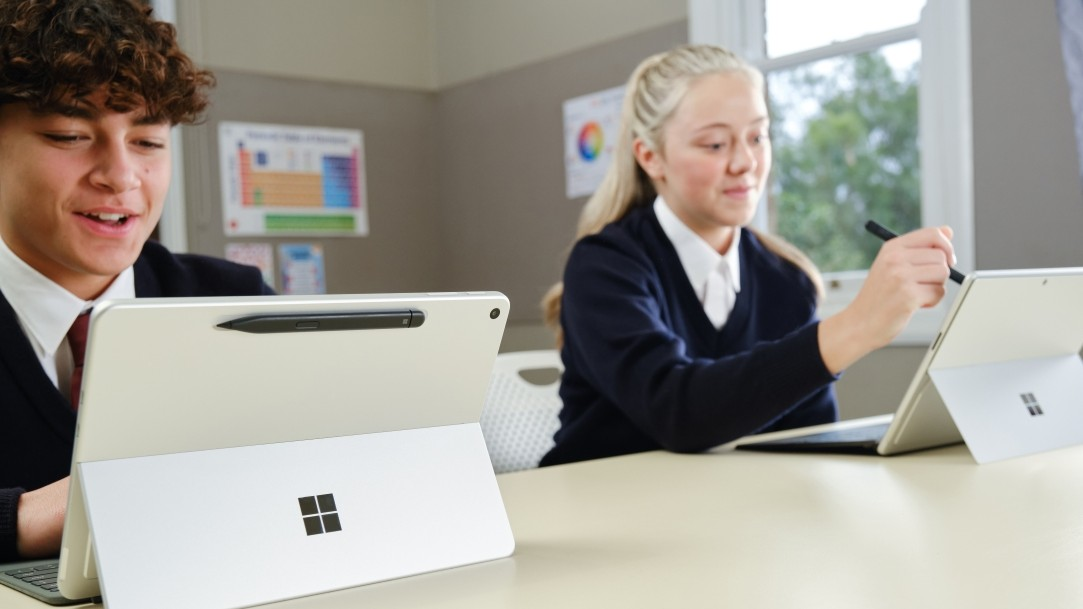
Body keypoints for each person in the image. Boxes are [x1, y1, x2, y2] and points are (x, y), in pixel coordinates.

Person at [539, 44, 955, 467]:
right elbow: (678, 411)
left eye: (758, 136)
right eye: (715, 144)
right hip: (600, 507)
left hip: (726, 512)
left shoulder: (786, 280)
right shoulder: (604, 267)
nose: (745, 162)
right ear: (651, 157)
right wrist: (858, 326)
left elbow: (809, 442)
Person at [0, 0, 274, 563]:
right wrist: (25, 518)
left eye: (148, 143)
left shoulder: (233, 304)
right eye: (70, 134)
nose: (121, 176)